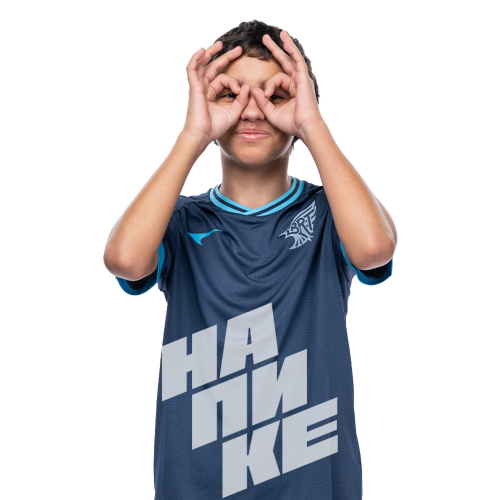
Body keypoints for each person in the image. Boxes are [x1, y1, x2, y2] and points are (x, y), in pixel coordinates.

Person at [103, 18, 397, 500]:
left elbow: (374, 248)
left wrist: (312, 124)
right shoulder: (180, 217)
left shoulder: (330, 211)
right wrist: (194, 133)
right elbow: (124, 260)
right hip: (197, 485)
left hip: (312, 482)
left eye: (275, 94)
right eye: (231, 94)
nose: (253, 109)